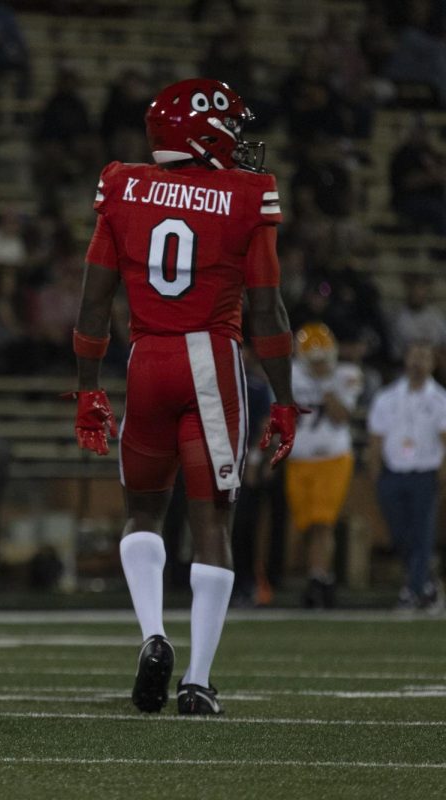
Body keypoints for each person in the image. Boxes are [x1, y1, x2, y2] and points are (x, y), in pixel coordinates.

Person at [73, 79, 299, 716]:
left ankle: (152, 634)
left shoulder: (122, 183)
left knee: (142, 513)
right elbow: (267, 307)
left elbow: (93, 305)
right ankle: (197, 680)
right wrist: (283, 398)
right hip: (210, 364)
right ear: (204, 132)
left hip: (145, 362)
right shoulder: (246, 195)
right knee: (212, 525)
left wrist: (88, 389)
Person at [285, 323, 363, 609]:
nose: (318, 363)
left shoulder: (346, 374)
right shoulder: (290, 373)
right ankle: (322, 577)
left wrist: (325, 384)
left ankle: (316, 580)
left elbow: (342, 416)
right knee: (305, 525)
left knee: (322, 523)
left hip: (333, 458)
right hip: (299, 460)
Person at [367, 341, 446, 611]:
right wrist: (376, 474)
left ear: (433, 363)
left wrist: (442, 478)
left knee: (422, 533)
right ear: (406, 360)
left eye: (424, 357)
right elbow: (376, 439)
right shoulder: (387, 397)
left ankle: (411, 591)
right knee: (400, 534)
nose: (418, 362)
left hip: (425, 473)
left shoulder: (440, 400)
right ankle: (427, 583)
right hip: (393, 473)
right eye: (414, 356)